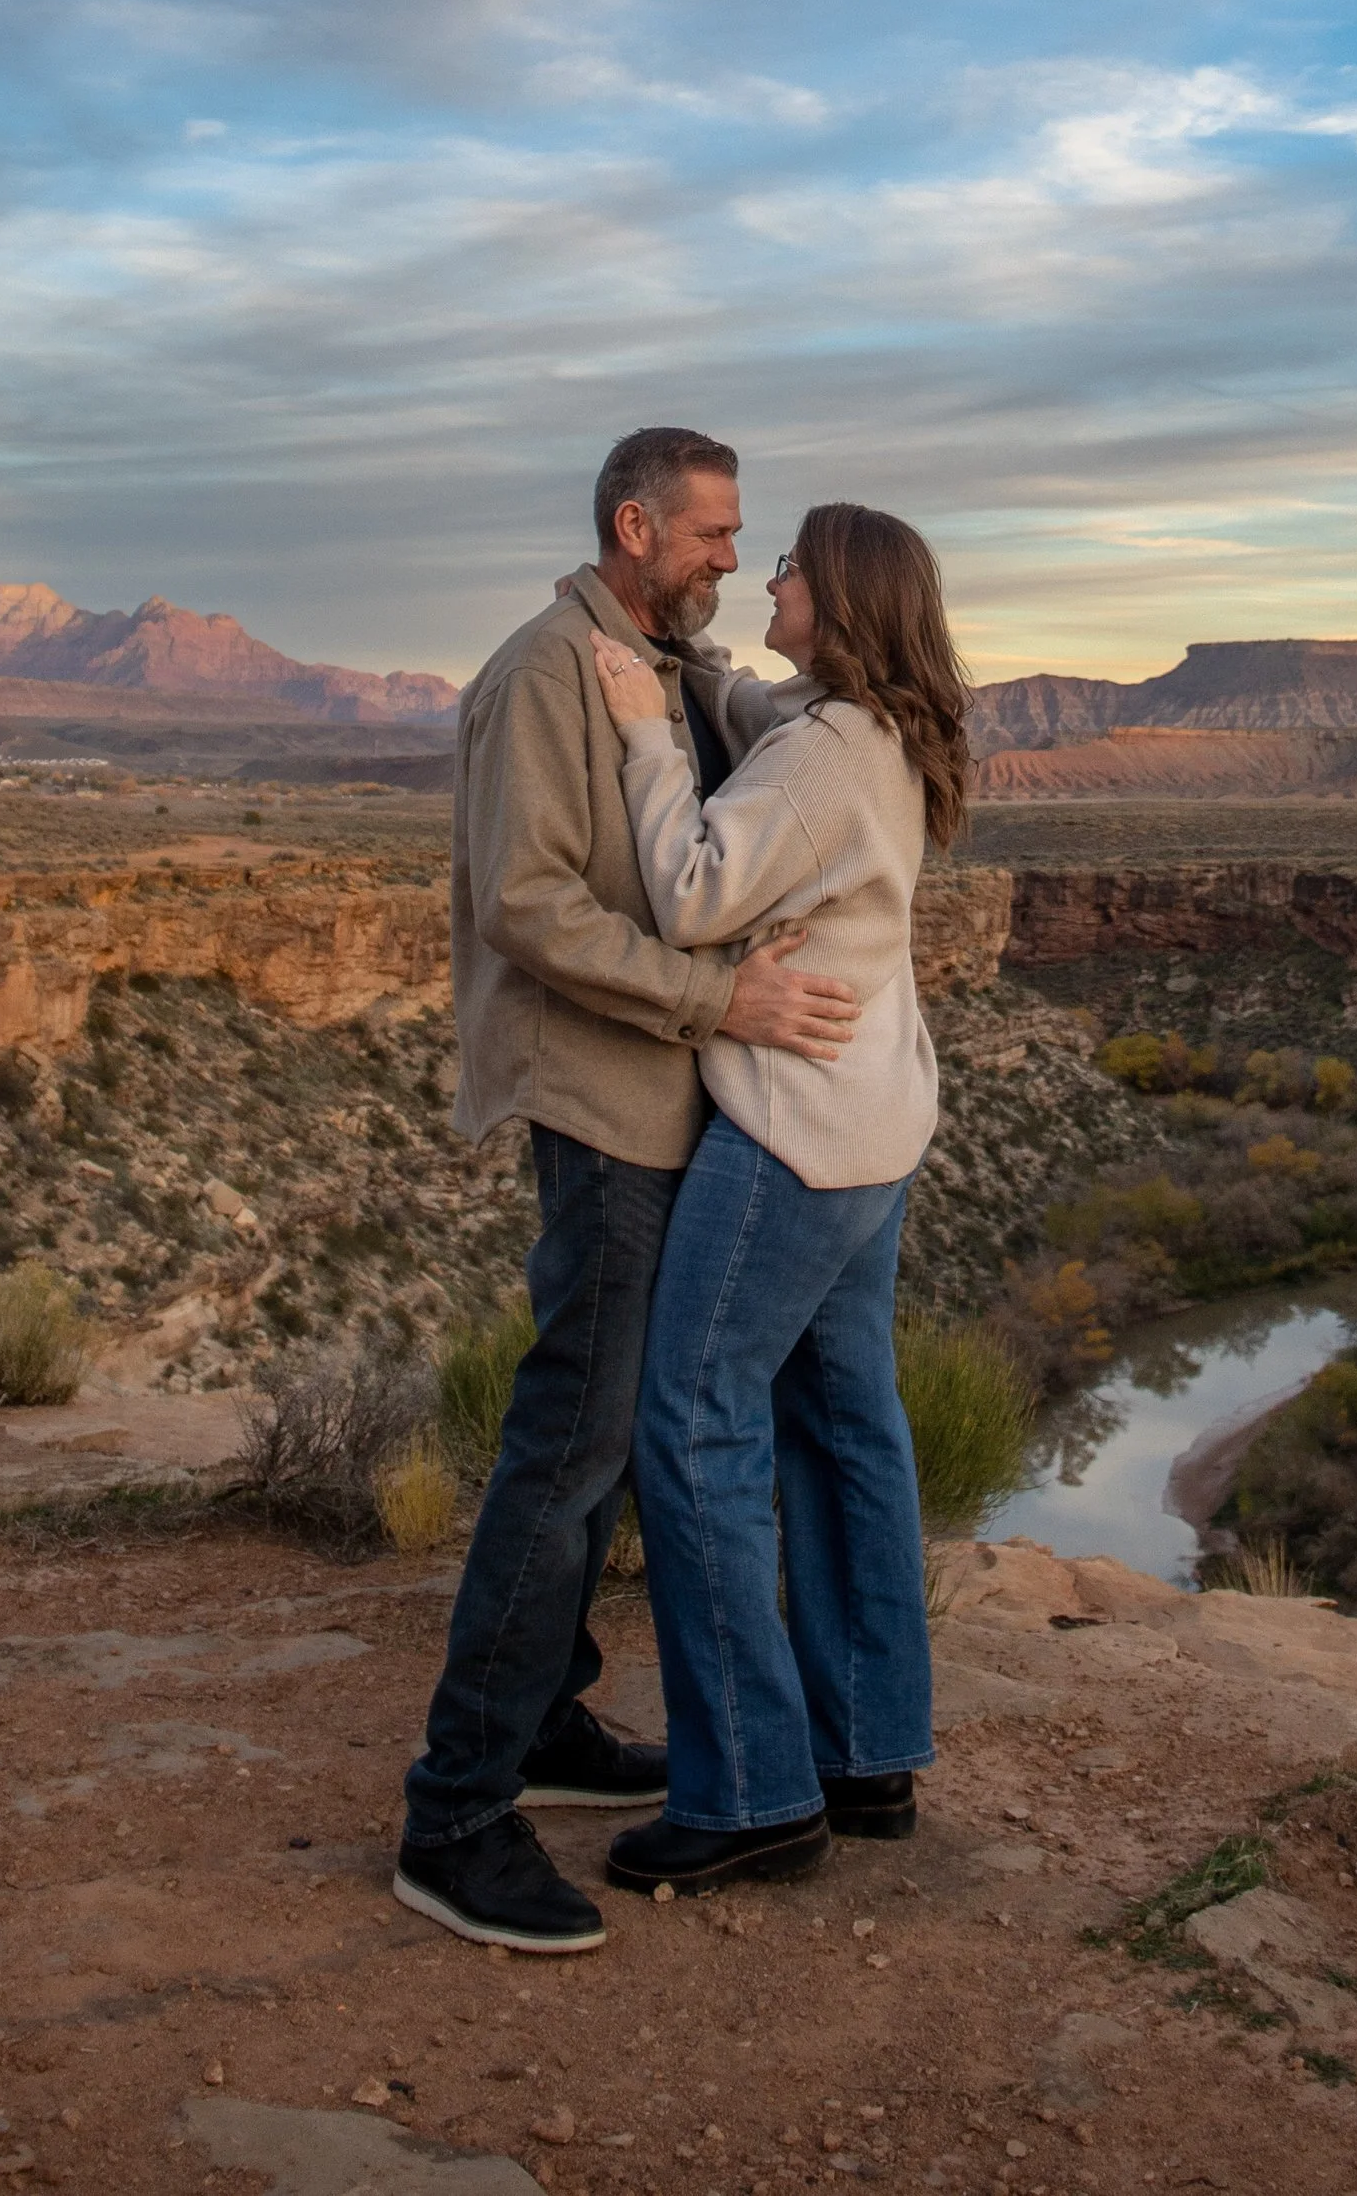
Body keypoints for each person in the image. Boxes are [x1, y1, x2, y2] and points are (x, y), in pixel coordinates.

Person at [394, 428, 863, 1955]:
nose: (734, 556)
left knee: (604, 1448)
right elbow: (528, 906)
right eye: (714, 534)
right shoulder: (547, 673)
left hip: (665, 1106)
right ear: (633, 524)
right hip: (603, 1108)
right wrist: (712, 998)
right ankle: (455, 1811)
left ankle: (544, 1718)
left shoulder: (657, 663)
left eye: (742, 539)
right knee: (570, 1445)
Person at [584, 499, 972, 1894]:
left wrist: (641, 728)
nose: (772, 575)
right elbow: (772, 715)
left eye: (794, 564)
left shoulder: (818, 757)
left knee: (692, 1419)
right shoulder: (880, 733)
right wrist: (700, 679)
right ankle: (867, 1750)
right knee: (847, 1419)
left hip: (793, 1139)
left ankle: (749, 1788)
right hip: (881, 1129)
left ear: (844, 600)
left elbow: (692, 887)